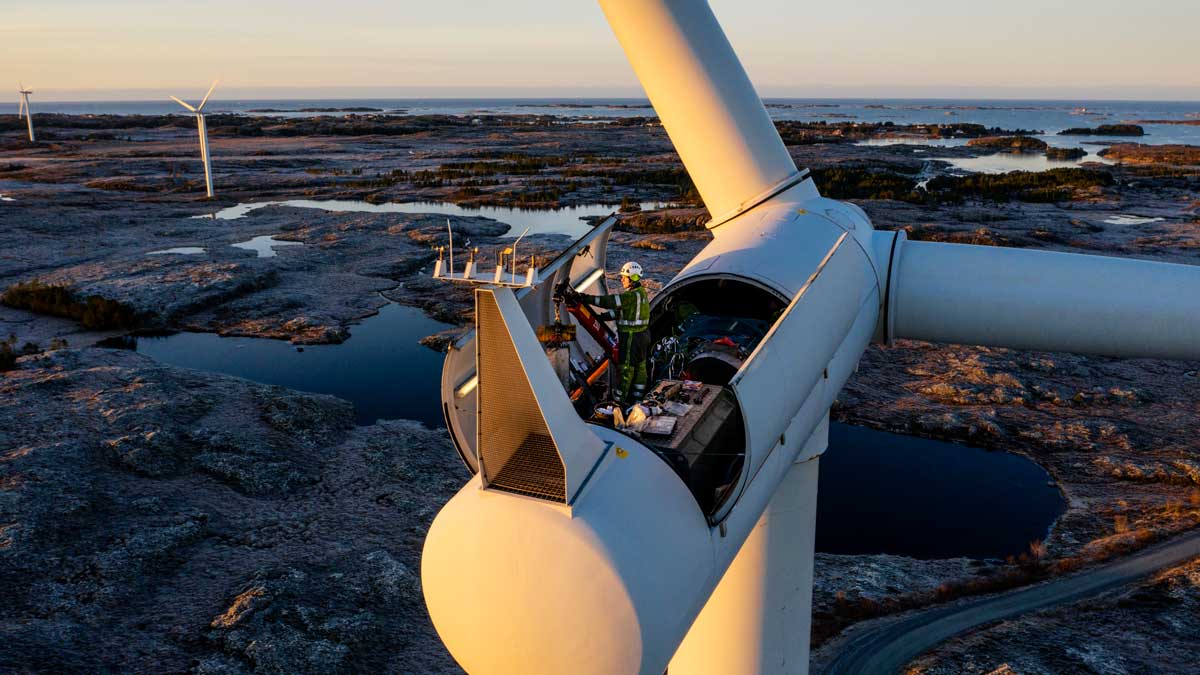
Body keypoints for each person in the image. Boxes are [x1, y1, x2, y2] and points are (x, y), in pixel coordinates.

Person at [575, 261, 651, 405]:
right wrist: (603, 317)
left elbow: (609, 301)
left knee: (626, 370)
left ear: (633, 278)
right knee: (640, 368)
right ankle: (637, 400)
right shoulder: (640, 294)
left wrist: (585, 298)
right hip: (642, 337)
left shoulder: (631, 296)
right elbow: (622, 312)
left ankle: (617, 403)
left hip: (630, 337)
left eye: (624, 277)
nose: (622, 279)